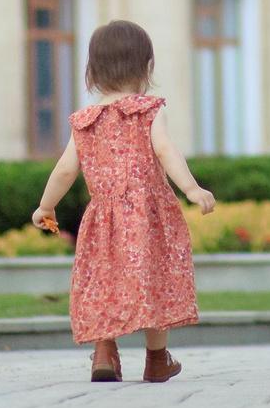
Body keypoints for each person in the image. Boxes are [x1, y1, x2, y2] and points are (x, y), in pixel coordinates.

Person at [31, 19, 216, 383]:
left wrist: (45, 205)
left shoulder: (85, 119)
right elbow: (165, 150)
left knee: (104, 282)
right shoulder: (149, 110)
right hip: (149, 216)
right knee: (155, 279)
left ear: (93, 70)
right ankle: (157, 359)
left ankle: (104, 353)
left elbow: (66, 169)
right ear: (146, 67)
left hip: (103, 219)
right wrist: (192, 189)